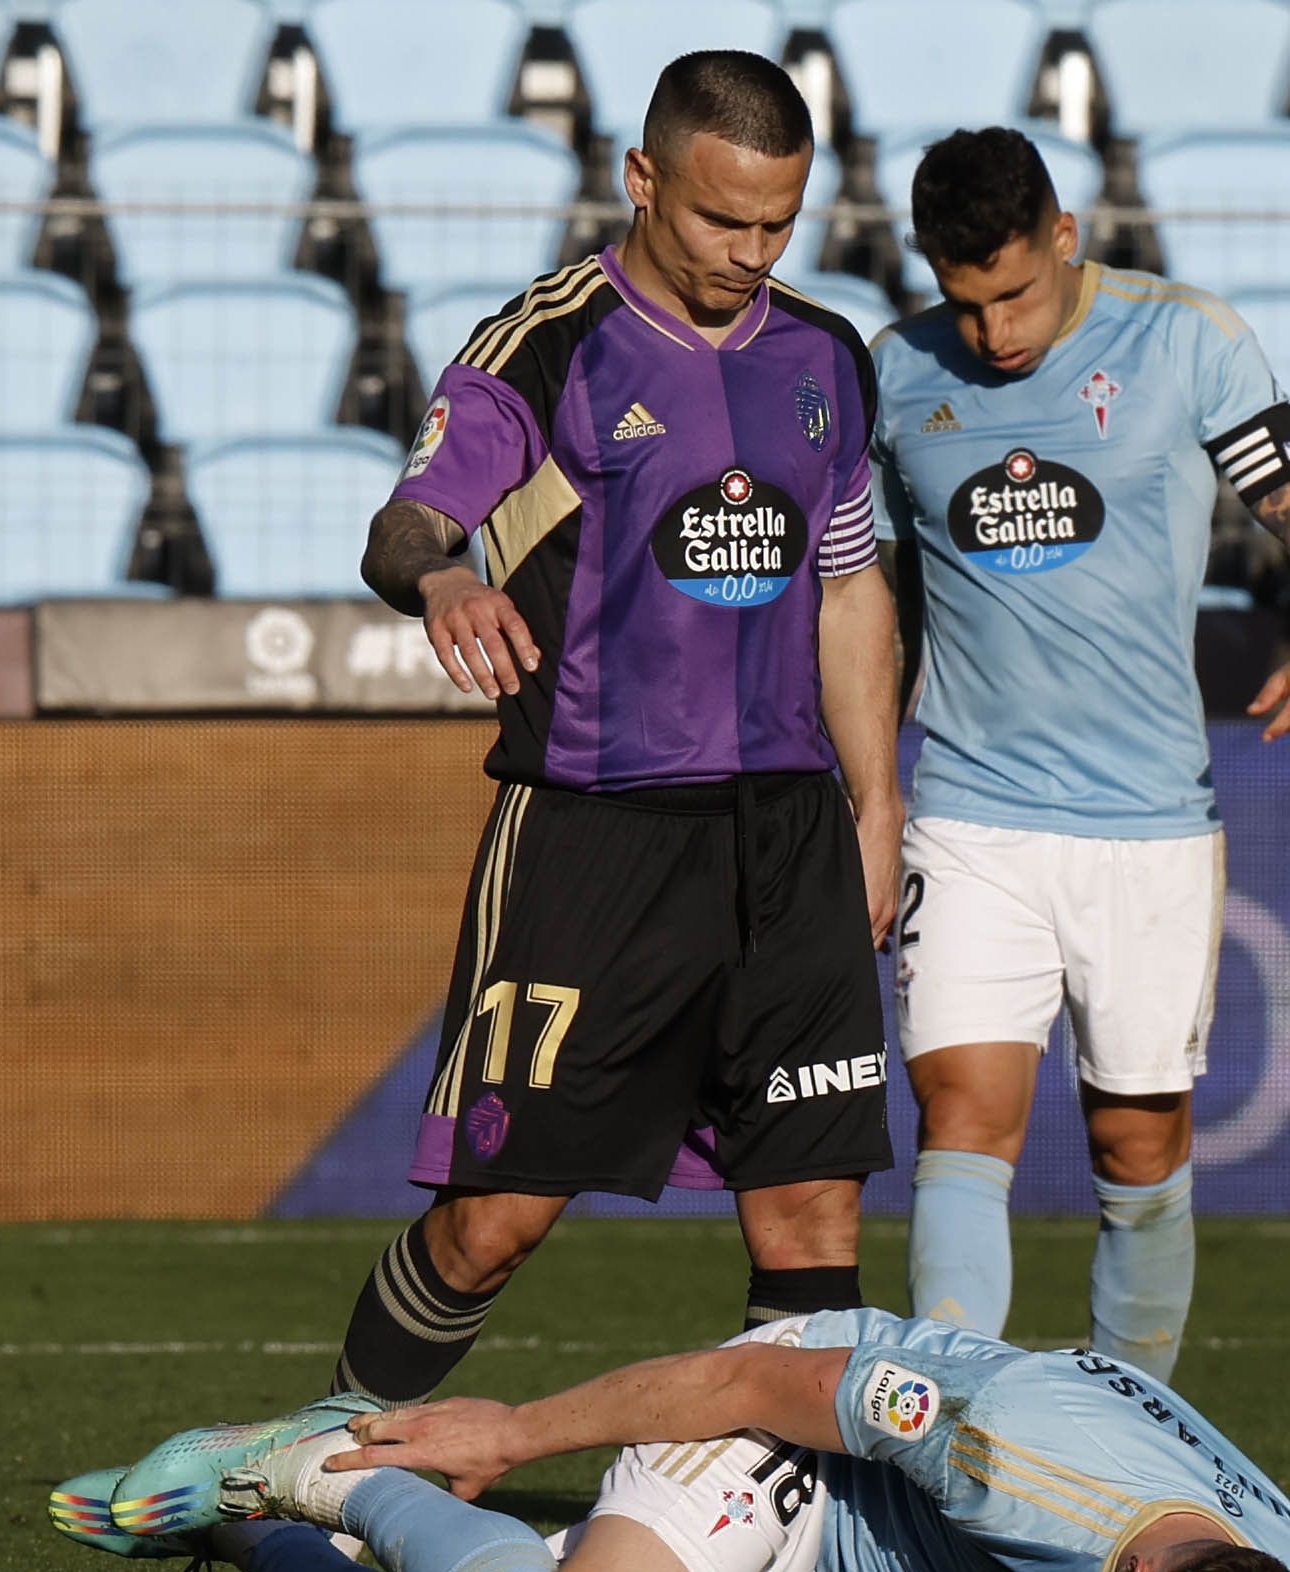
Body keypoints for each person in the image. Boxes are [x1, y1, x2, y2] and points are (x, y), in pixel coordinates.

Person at [338, 47, 902, 1412]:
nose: (751, 252)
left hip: (787, 840)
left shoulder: (826, 358)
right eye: (723, 219)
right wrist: (445, 573)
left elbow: (848, 586)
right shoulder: (550, 340)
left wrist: (874, 810)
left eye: (779, 222)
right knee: (494, 1222)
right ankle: (305, 1509)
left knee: (813, 1221)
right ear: (642, 179)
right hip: (593, 834)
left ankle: (780, 1570)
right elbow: (405, 520)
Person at [872, 129, 1290, 1374]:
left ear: (1065, 237)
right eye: (963, 300)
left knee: (1136, 1147)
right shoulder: (892, 376)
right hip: (971, 813)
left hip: (1148, 821)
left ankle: (1126, 1450)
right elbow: (874, 602)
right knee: (962, 1119)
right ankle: (948, 1442)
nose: (991, 334)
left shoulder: (1187, 341)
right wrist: (868, 784)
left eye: (1016, 295)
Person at [51, 1308, 1290, 1572]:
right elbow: (746, 1379)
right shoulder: (1002, 1450)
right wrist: (509, 1431)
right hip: (793, 1466)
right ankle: (326, 1459)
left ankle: (254, 1525)